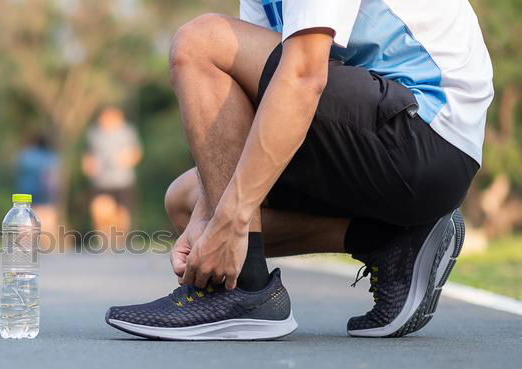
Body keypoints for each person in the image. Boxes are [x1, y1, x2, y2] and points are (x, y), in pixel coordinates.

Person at [106, 1, 493, 341]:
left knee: (200, 41)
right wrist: (211, 214)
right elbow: (255, 104)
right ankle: (387, 241)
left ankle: (244, 291)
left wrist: (231, 220)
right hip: (376, 137)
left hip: (425, 133)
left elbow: (304, 76)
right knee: (188, 202)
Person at [82, 107, 142, 248]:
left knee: (122, 214)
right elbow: (88, 153)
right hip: (101, 180)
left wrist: (127, 159)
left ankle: (119, 241)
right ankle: (103, 240)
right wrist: (88, 165)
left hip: (122, 180)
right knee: (99, 209)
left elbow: (136, 152)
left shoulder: (127, 131)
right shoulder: (94, 133)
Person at [15, 134, 59, 245]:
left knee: (25, 228)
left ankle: (26, 252)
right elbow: (54, 178)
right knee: (48, 229)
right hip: (46, 196)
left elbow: (17, 172)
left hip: (26, 196)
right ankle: (50, 252)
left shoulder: (25, 156)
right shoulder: (51, 157)